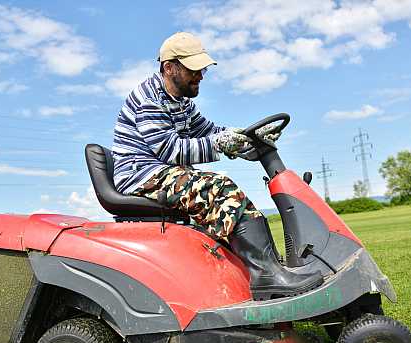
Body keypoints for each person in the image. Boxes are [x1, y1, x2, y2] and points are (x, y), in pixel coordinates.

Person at [112, 32, 322, 299]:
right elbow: (169, 148)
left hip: (161, 172)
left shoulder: (181, 103)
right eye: (194, 69)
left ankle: (270, 269)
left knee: (232, 196)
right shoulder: (149, 99)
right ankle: (267, 277)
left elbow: (209, 131)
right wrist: (221, 143)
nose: (201, 75)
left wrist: (247, 140)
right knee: (219, 188)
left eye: (202, 69)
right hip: (140, 175)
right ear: (169, 67)